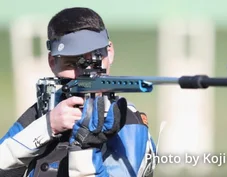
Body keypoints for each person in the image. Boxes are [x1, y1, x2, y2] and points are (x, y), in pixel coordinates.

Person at [0, 7, 157, 177]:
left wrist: (85, 147)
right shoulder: (46, 111)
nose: (85, 73)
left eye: (95, 61)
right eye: (71, 63)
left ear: (109, 53)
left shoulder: (128, 122)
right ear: (52, 63)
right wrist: (48, 126)